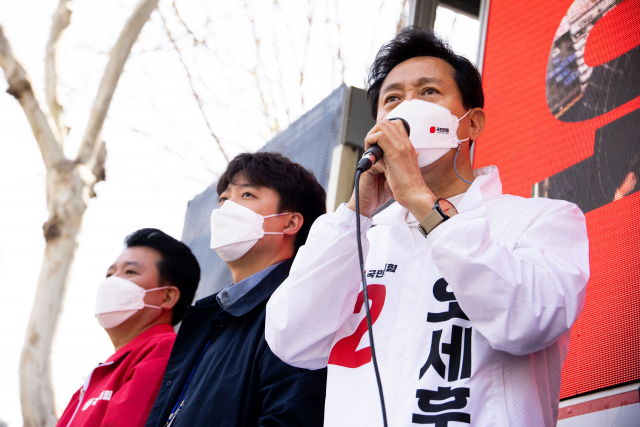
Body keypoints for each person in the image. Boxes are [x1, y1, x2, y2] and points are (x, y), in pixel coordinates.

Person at [266, 27, 590, 427]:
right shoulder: (362, 235)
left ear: (471, 124)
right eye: (393, 99)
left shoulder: (541, 219)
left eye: (429, 92)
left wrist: (423, 204)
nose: (407, 109)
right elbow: (291, 339)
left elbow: (529, 321)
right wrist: (356, 213)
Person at [145, 152, 328, 427]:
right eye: (223, 199)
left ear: (290, 222)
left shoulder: (298, 306)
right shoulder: (210, 318)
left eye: (247, 195)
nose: (227, 208)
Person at [57, 228, 200, 427]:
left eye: (130, 272)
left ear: (167, 296)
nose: (113, 281)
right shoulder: (99, 376)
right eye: (110, 274)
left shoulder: (164, 350)